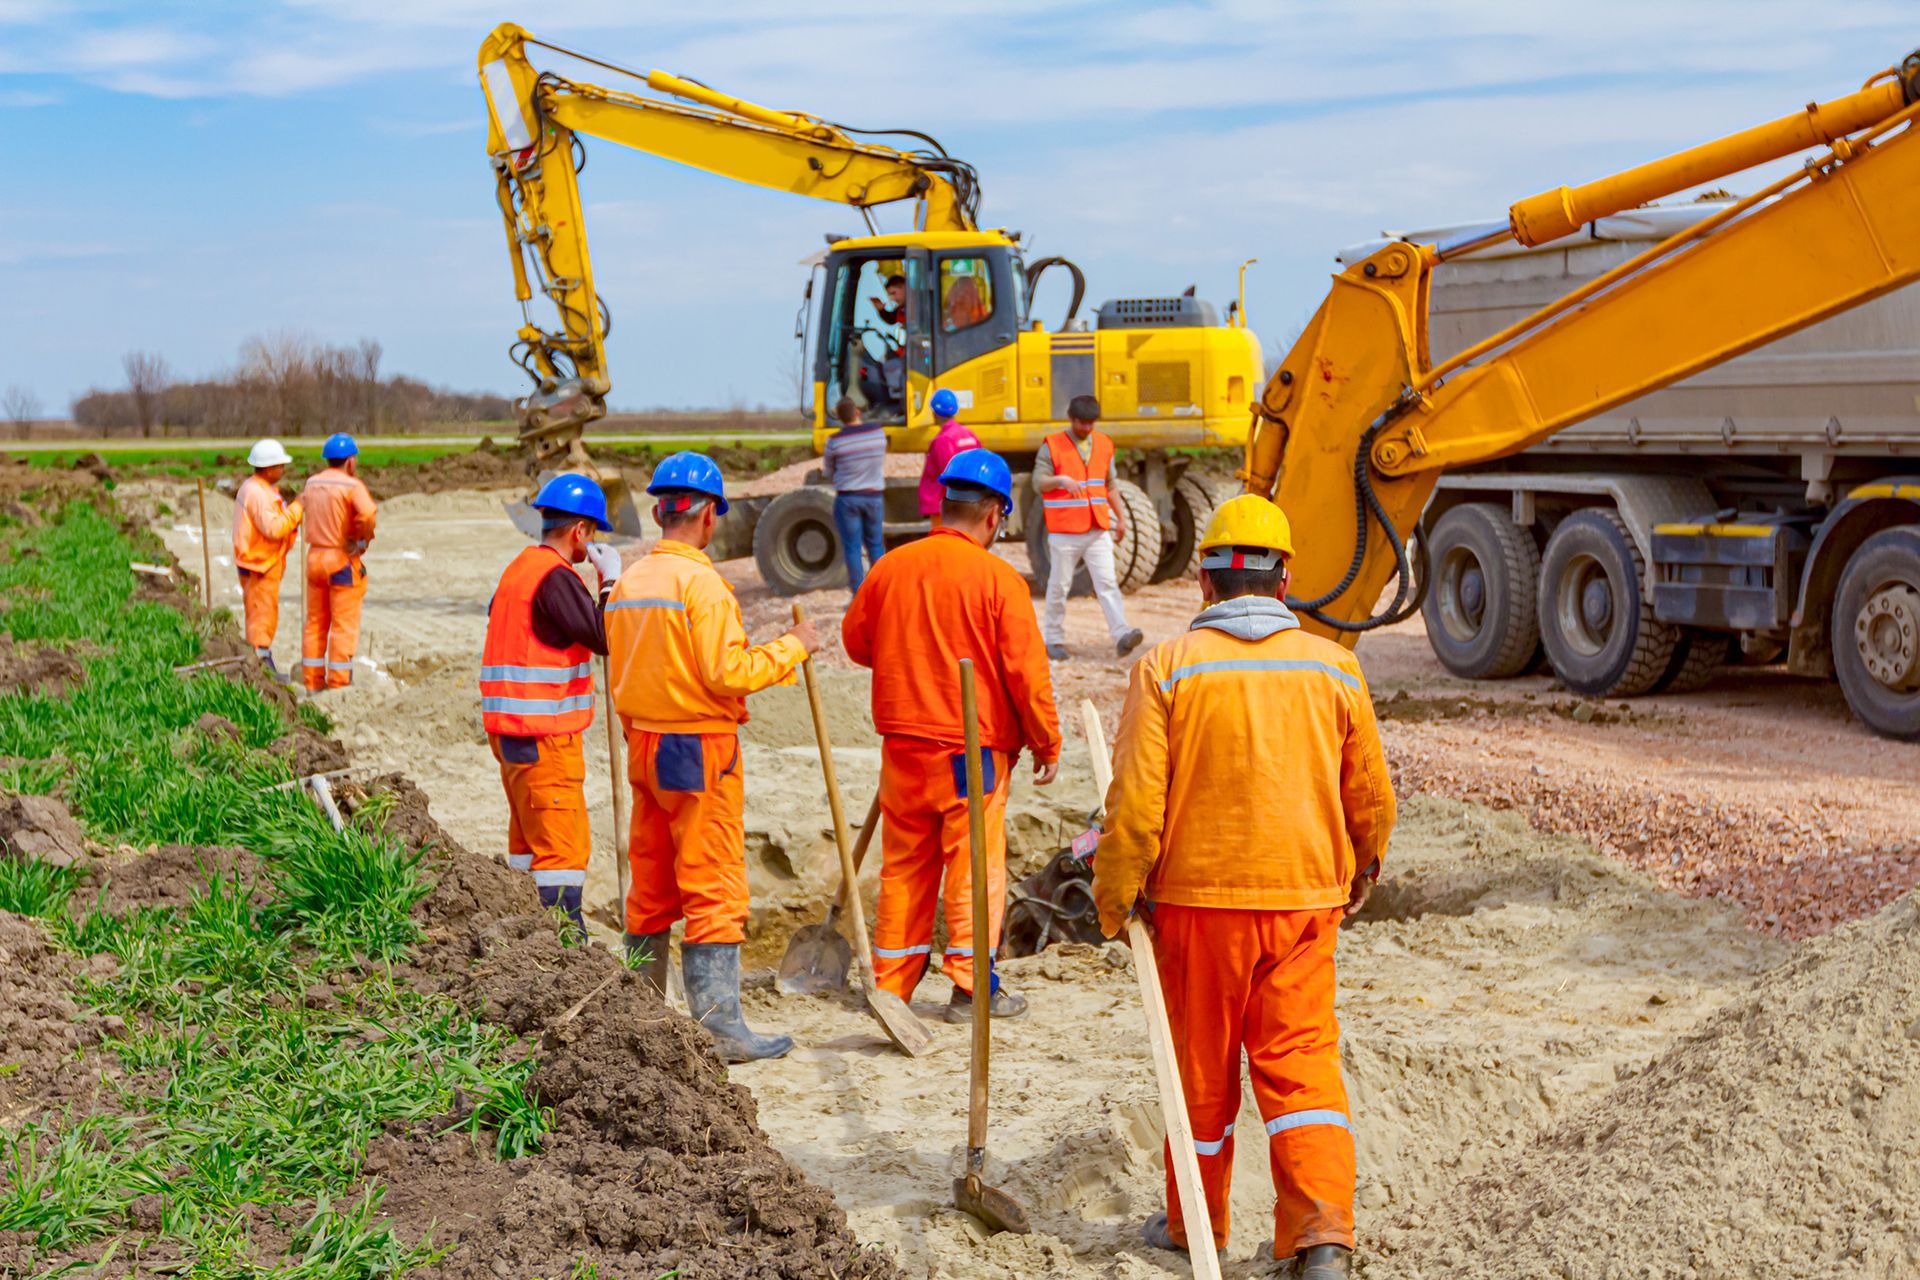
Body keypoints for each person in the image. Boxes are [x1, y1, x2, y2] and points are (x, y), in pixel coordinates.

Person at [1091, 495, 1396, 1279]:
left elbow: (1135, 806)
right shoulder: (1333, 666)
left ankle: (1196, 1224)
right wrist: (1363, 866)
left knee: (1201, 1072)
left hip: (1199, 905)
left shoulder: (1166, 668)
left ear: (1205, 580)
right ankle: (1322, 1236)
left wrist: (1116, 896)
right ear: (1285, 580)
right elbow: (1370, 793)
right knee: (1302, 1065)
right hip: (1306, 900)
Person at [606, 451, 818, 1061]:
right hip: (698, 749)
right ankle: (720, 1029)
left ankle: (641, 1018)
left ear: (659, 513)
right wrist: (793, 647)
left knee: (650, 884)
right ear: (708, 517)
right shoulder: (701, 586)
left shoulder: (629, 584)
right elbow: (729, 672)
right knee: (713, 883)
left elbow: (623, 671)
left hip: (644, 745)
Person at [842, 448, 1062, 1023]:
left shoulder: (891, 567)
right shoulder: (999, 580)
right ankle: (971, 988)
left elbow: (857, 642)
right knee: (973, 869)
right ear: (994, 515)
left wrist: (909, 655)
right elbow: (1026, 674)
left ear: (944, 505)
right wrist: (1047, 741)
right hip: (970, 752)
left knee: (904, 867)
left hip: (902, 747)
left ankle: (891, 989)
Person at [480, 473, 623, 936]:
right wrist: (610, 583)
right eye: (592, 533)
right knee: (562, 851)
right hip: (544, 738)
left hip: (510, 734)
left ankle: (525, 939)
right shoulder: (557, 579)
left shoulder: (518, 569)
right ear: (579, 530)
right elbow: (604, 636)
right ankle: (562, 945)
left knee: (527, 844)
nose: (592, 544)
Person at [1035, 395, 1144, 660]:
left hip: (1097, 528)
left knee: (1107, 583)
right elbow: (1039, 482)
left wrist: (1121, 519)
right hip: (1064, 532)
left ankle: (1121, 635)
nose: (1086, 428)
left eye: (1090, 423)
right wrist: (1061, 480)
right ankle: (1053, 639)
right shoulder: (1052, 446)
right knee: (1059, 586)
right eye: (1081, 423)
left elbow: (1110, 486)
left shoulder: (1104, 444)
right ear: (1071, 419)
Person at [299, 433, 377, 692]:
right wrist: (362, 539)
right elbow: (368, 513)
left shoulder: (312, 483)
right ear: (350, 461)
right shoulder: (352, 486)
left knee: (315, 623)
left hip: (314, 558)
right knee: (343, 625)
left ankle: (312, 681)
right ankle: (339, 682)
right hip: (341, 560)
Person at [232, 438, 303, 677]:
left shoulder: (257, 489)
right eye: (280, 465)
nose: (283, 470)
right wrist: (298, 508)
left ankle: (262, 659)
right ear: (269, 467)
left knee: (263, 614)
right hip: (259, 564)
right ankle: (261, 666)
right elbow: (274, 528)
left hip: (260, 562)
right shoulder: (258, 493)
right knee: (261, 617)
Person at [822, 397, 888, 594]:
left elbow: (828, 471)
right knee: (876, 545)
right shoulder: (878, 434)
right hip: (874, 497)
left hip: (848, 498)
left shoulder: (834, 441)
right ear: (857, 412)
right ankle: (881, 591)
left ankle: (859, 595)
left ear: (839, 418)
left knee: (853, 548)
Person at [916, 389, 979, 521]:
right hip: (967, 502)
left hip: (945, 507)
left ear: (934, 413)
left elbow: (948, 476)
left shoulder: (943, 440)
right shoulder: (969, 435)